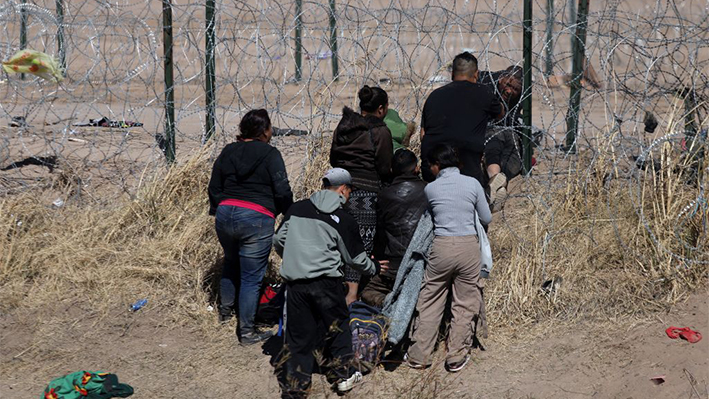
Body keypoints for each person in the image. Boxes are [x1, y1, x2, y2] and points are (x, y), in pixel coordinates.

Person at [273, 168, 387, 398]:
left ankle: (296, 388)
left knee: (298, 337)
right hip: (327, 283)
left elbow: (278, 239)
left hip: (296, 284)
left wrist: (295, 257)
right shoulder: (343, 218)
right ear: (344, 189)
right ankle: (343, 376)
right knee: (337, 327)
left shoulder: (298, 208)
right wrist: (374, 267)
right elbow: (355, 259)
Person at [208, 109, 293, 345]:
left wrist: (218, 209)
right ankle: (246, 332)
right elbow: (282, 189)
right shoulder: (270, 154)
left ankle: (226, 313)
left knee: (230, 262)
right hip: (256, 217)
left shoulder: (228, 151)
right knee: (251, 278)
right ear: (264, 131)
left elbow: (215, 185)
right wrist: (290, 212)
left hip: (226, 214)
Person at [405, 143, 492, 372]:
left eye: (431, 165)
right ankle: (456, 355)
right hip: (468, 247)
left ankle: (419, 354)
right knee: (465, 301)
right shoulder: (472, 184)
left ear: (437, 165)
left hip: (441, 247)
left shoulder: (431, 189)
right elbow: (487, 216)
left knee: (431, 297)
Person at [330, 85, 393, 304]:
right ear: (381, 109)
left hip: (336, 189)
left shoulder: (345, 126)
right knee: (360, 245)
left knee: (337, 241)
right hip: (365, 194)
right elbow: (384, 166)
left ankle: (336, 290)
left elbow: (333, 157)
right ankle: (352, 296)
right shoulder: (379, 130)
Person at [420, 52, 503, 184]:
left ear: (452, 74)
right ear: (476, 74)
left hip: (432, 169)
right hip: (466, 168)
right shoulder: (484, 93)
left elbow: (423, 135)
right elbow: (500, 114)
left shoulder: (434, 96)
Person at [361, 149, 428, 308]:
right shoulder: (429, 190)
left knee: (366, 292)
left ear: (391, 170)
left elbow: (380, 230)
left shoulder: (384, 195)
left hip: (393, 264)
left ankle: (390, 303)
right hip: (422, 261)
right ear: (416, 168)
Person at [480, 66, 524, 211]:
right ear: (501, 79)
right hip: (485, 129)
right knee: (495, 141)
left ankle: (498, 182)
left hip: (507, 128)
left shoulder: (523, 96)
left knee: (515, 150)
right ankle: (495, 176)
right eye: (508, 85)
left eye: (515, 89)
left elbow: (511, 119)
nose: (510, 91)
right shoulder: (485, 82)